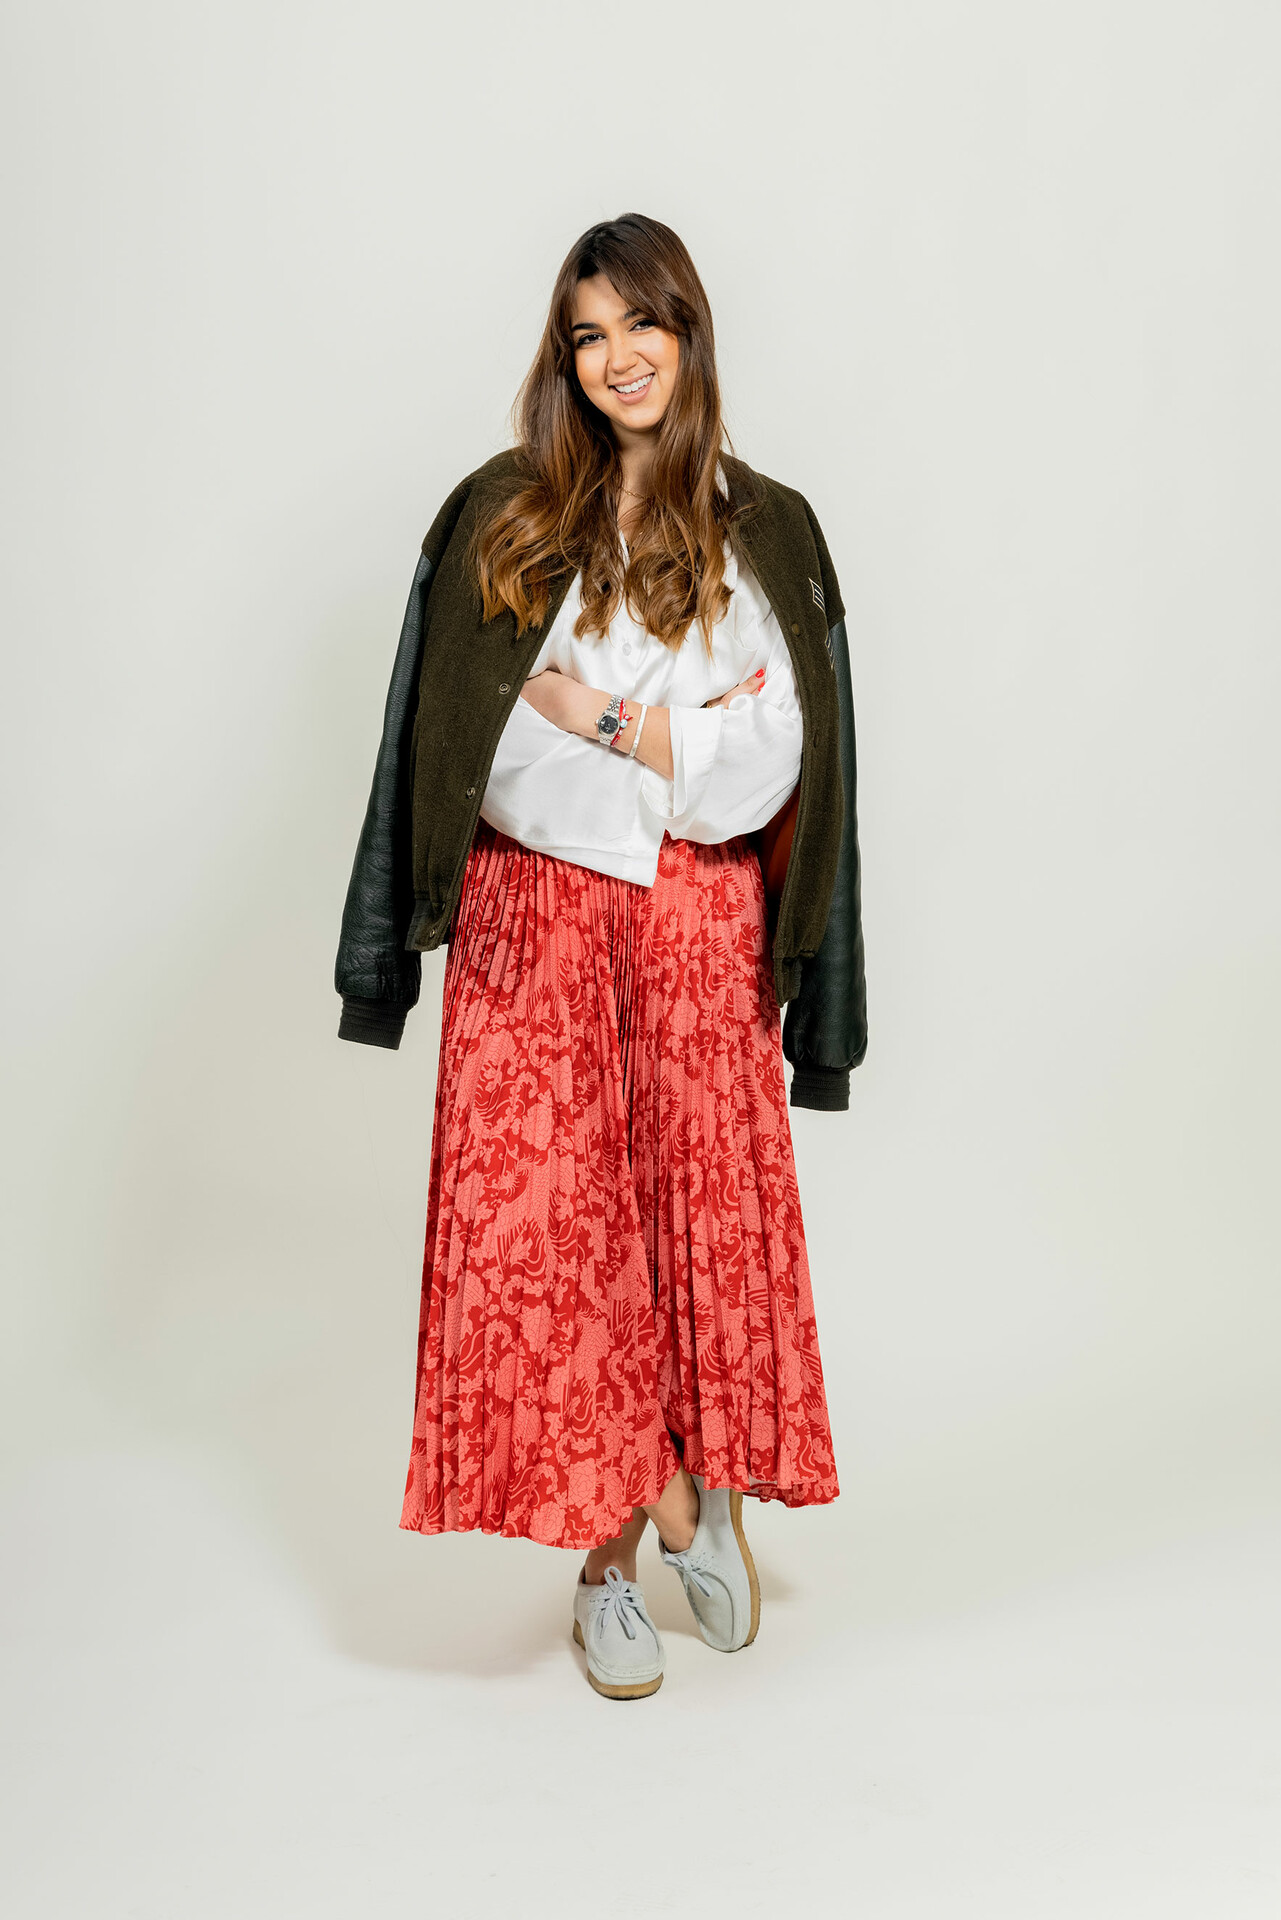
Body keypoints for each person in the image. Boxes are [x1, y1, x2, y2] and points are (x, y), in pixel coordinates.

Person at [334, 212, 867, 1700]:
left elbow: (769, 766)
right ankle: (660, 1531)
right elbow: (480, 752)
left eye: (644, 324)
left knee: (685, 1232)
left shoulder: (767, 526)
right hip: (530, 924)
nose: (619, 357)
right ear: (562, 358)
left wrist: (601, 714)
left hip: (701, 928)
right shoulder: (502, 516)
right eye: (588, 333)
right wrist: (668, 739)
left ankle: (635, 1552)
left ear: (689, 335)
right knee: (551, 1246)